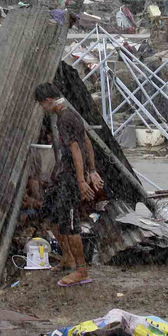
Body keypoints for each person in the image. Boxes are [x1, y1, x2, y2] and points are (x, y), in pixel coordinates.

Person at [34, 83, 104, 287]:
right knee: (51, 213)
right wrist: (92, 170)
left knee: (71, 225)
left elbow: (76, 148)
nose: (42, 108)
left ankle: (82, 271)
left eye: (41, 104)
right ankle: (67, 259)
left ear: (48, 101)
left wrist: (82, 180)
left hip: (71, 179)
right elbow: (87, 142)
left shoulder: (65, 118)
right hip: (62, 175)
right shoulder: (69, 115)